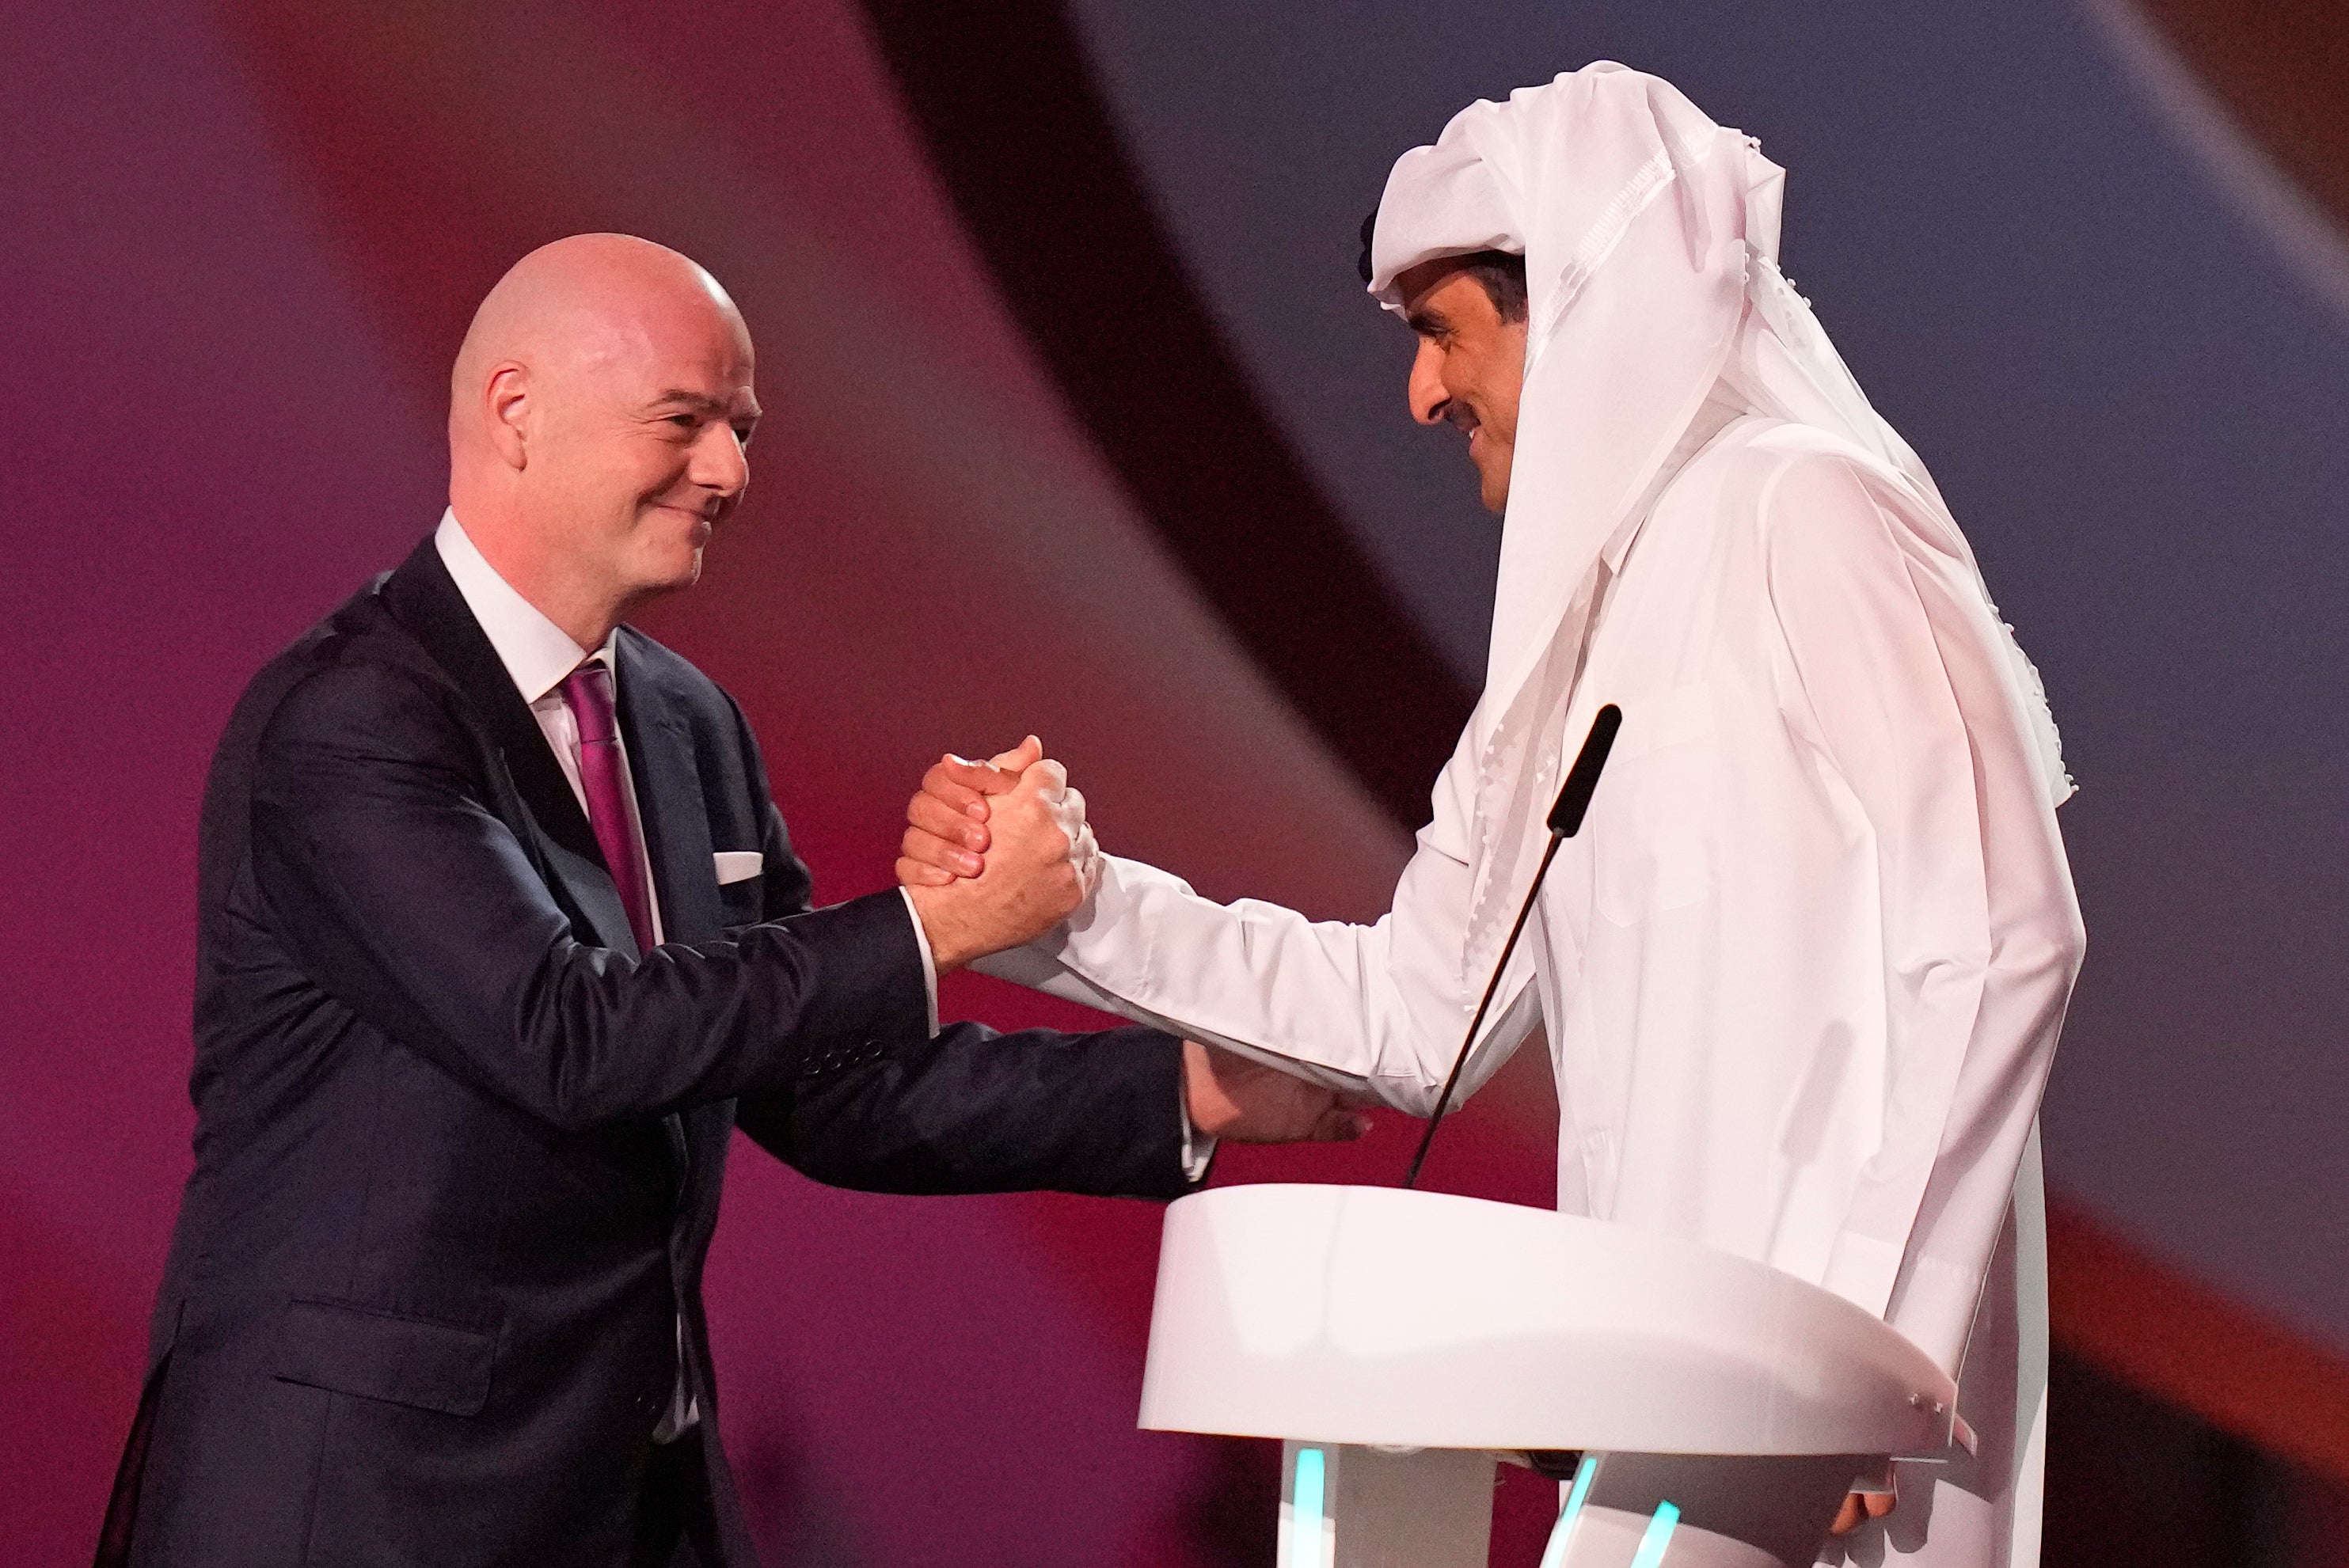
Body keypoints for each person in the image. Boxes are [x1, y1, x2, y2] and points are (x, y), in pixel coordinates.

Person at [899, 66, 2084, 1566]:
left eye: (1447, 335)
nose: (1420, 391)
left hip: (1834, 1424)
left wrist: (1873, 1350)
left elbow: (2001, 932)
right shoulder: (1581, 622)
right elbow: (1420, 1004)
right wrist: (1075, 900)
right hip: (1676, 1403)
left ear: (1588, 313)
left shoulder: (1808, 509)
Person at [96, 233, 1360, 1568]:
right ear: (515, 413)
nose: (731, 472)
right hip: (361, 1504)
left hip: (622, 1493)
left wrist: (1195, 1089)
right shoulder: (351, 719)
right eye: (686, 421)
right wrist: (938, 927)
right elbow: (569, 1034)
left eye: (742, 429)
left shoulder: (685, 724)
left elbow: (830, 1086)